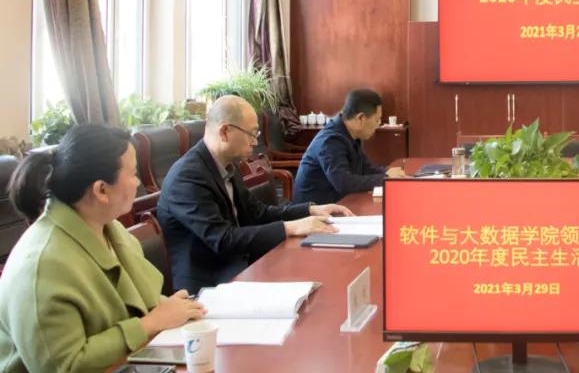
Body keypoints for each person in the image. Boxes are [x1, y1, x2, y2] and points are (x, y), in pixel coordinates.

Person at [0, 125, 205, 372]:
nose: (138, 181)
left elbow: (140, 300)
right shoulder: (42, 266)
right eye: (133, 173)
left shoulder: (107, 226)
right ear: (101, 190)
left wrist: (173, 308)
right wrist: (150, 323)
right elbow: (64, 365)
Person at [157, 95, 352, 293]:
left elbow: (257, 213)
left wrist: (310, 210)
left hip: (241, 267)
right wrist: (291, 228)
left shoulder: (227, 165)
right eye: (251, 133)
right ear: (224, 131)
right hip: (209, 285)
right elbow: (222, 239)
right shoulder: (188, 177)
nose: (255, 141)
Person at [292, 89, 407, 205]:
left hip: (337, 203)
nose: (378, 124)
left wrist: (388, 172)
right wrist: (385, 177)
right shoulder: (331, 140)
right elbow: (343, 183)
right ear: (361, 118)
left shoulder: (350, 134)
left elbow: (365, 168)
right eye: (377, 120)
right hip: (313, 210)